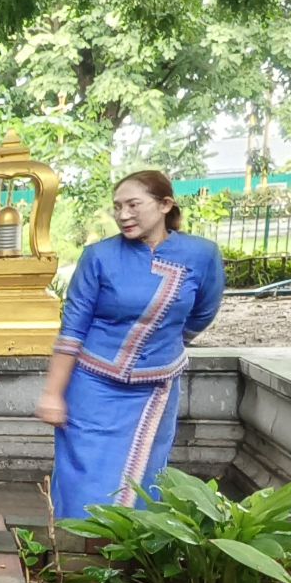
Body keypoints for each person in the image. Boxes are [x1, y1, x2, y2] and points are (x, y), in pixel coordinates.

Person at [34, 168, 224, 519]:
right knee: (84, 481)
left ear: (165, 205)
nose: (123, 215)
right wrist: (53, 394)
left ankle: (128, 553)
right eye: (118, 206)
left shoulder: (202, 255)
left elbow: (202, 312)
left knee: (144, 481)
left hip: (156, 389)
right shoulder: (98, 257)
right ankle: (79, 549)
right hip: (93, 386)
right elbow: (72, 330)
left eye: (133, 205)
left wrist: (163, 343)